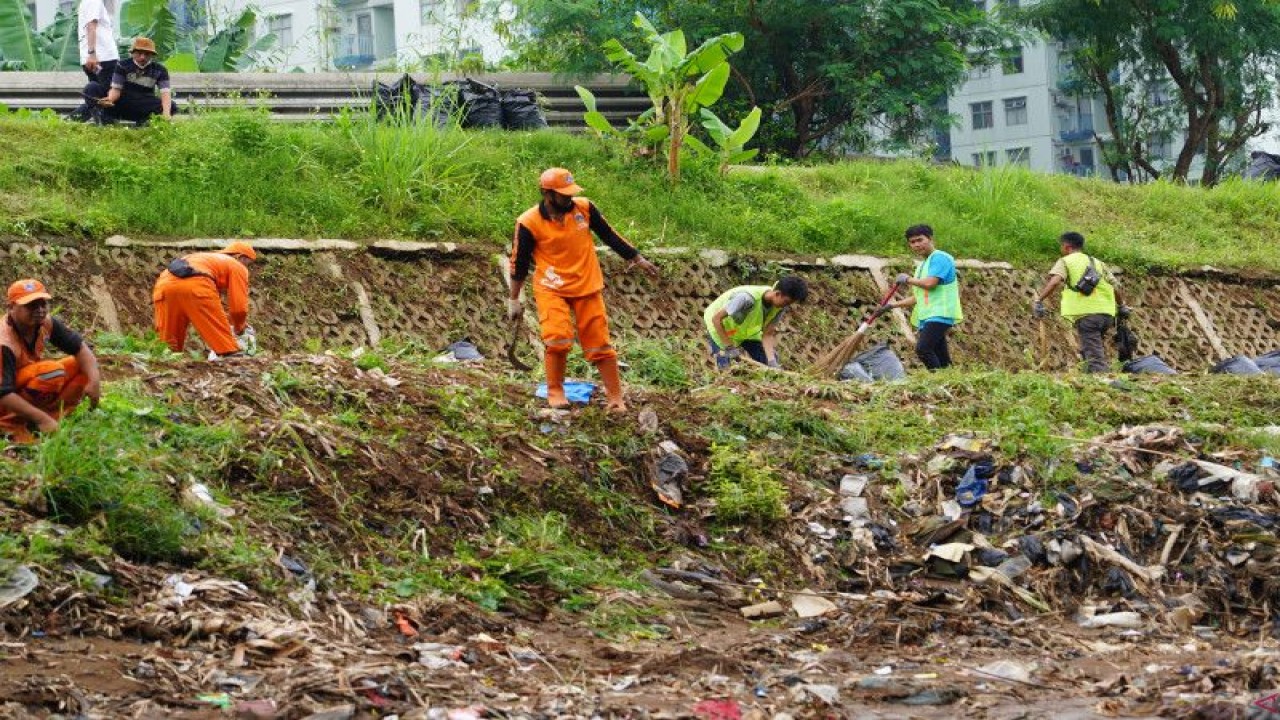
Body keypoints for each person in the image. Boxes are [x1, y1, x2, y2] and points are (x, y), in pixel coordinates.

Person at [508, 168, 659, 413]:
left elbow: (609, 235)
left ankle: (615, 398)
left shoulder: (584, 208)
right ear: (547, 193)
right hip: (551, 287)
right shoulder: (528, 222)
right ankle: (556, 391)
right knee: (557, 338)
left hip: (587, 285)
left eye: (570, 193)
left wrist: (636, 258)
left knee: (600, 344)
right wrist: (514, 298)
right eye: (562, 195)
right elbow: (519, 263)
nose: (568, 198)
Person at [0, 279, 102, 443]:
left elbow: (81, 349)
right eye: (31, 305)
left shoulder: (45, 323)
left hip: (22, 385)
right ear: (11, 307)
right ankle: (10, 424)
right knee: (51, 372)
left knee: (81, 366)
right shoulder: (3, 341)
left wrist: (94, 381)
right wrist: (41, 419)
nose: (39, 310)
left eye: (42, 304)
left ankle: (52, 417)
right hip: (5, 398)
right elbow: (3, 393)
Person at [1033, 231, 1130, 373]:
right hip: (1106, 314)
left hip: (1087, 313)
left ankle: (1101, 380)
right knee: (1090, 347)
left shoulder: (1066, 261)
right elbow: (1115, 287)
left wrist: (1039, 300)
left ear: (1066, 246)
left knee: (1093, 352)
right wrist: (1122, 306)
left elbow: (1054, 282)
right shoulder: (1098, 263)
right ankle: (1089, 375)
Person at [152, 242, 257, 358]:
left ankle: (165, 366)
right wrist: (239, 328)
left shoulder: (204, 258)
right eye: (248, 264)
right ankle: (230, 357)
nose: (247, 268)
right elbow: (239, 309)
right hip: (197, 286)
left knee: (167, 348)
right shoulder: (237, 266)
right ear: (240, 257)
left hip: (163, 287)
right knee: (226, 347)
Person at [888, 224, 963, 370]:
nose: (916, 245)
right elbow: (918, 297)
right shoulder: (923, 265)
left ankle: (938, 381)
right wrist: (891, 306)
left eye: (919, 240)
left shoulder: (940, 258)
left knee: (923, 349)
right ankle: (951, 381)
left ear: (930, 239)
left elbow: (930, 284)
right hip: (928, 316)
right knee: (941, 357)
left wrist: (908, 279)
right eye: (912, 242)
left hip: (940, 313)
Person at [704, 276, 809, 370]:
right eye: (786, 302)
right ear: (777, 294)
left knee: (770, 361)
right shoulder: (746, 298)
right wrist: (729, 347)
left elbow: (767, 334)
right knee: (725, 368)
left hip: (744, 331)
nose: (787, 306)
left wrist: (772, 362)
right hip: (721, 327)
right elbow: (716, 319)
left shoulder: (779, 307)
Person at [94, 37, 177, 124]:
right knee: (92, 88)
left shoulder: (160, 70)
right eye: (139, 53)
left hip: (145, 102)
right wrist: (110, 99)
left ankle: (145, 122)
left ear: (152, 55)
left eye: (147, 54)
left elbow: (165, 93)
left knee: (172, 106)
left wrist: (166, 113)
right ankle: (105, 120)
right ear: (133, 53)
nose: (142, 57)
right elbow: (116, 89)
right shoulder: (122, 65)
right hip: (125, 102)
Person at [73, 0, 119, 123]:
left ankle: (71, 122)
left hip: (96, 58)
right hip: (103, 58)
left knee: (96, 96)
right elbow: (91, 26)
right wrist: (92, 53)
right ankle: (71, 121)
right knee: (109, 95)